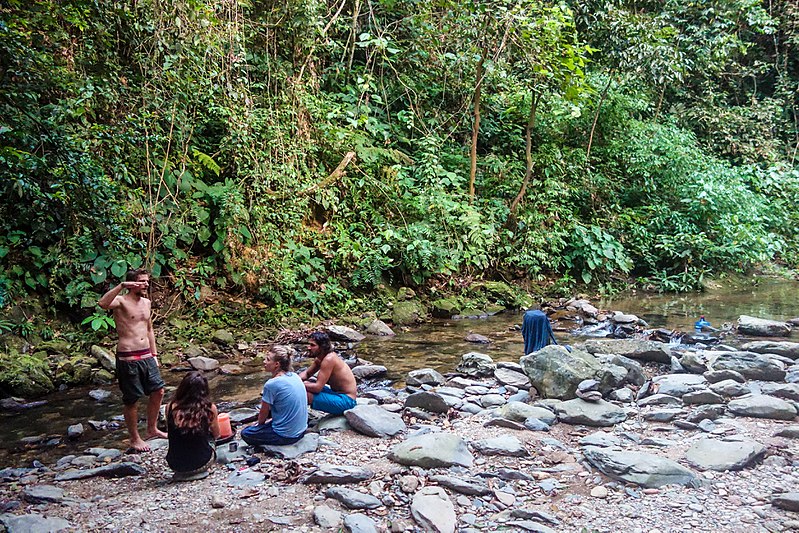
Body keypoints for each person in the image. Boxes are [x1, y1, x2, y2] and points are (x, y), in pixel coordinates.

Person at [98, 269, 167, 452]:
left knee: (158, 391)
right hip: (128, 356)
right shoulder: (121, 301)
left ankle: (152, 429)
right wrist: (121, 286)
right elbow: (103, 304)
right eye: (141, 281)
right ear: (131, 283)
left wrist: (154, 354)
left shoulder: (146, 302)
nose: (145, 284)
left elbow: (149, 329)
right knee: (132, 399)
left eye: (146, 281)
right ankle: (134, 438)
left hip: (146, 354)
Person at [241, 346, 308, 446]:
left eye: (267, 359)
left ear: (277, 364)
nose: (264, 362)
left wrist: (259, 427)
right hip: (302, 429)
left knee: (246, 433)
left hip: (286, 436)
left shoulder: (271, 384)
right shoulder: (294, 376)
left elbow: (263, 413)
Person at [165, 371, 220, 481]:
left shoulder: (170, 407)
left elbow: (169, 432)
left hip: (175, 465)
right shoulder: (209, 408)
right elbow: (217, 434)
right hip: (201, 464)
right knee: (210, 439)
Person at [298, 331, 357, 415]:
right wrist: (293, 379)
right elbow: (307, 374)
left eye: (312, 345)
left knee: (306, 394)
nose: (308, 347)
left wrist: (296, 384)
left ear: (322, 347)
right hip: (336, 394)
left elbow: (317, 387)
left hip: (347, 401)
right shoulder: (320, 358)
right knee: (306, 383)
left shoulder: (329, 359)